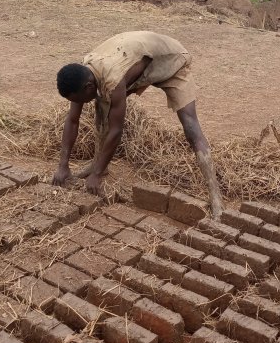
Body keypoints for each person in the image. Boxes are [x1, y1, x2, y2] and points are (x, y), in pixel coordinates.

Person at [52, 31, 224, 219]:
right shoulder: (84, 74)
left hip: (172, 60)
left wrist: (97, 176)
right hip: (137, 62)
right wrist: (63, 165)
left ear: (88, 86)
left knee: (191, 127)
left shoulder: (112, 80)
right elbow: (72, 119)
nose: (81, 103)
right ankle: (97, 164)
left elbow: (117, 130)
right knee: (102, 109)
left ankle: (216, 198)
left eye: (82, 100)